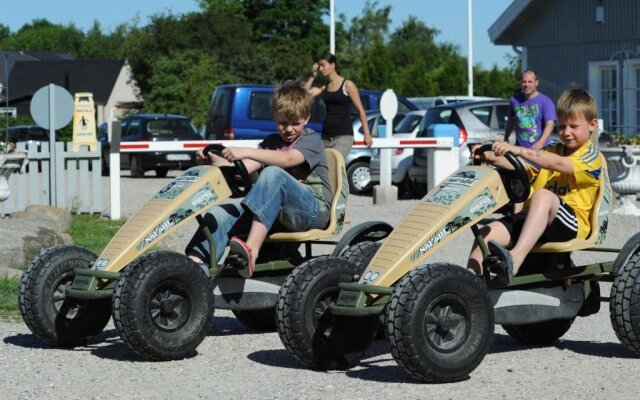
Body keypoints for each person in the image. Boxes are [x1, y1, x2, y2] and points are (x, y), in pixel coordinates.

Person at [185, 81, 332, 278]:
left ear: (306, 118)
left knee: (272, 173)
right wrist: (212, 159)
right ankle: (192, 270)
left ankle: (251, 252)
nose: (288, 129)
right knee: (220, 212)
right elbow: (242, 169)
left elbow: (287, 159)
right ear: (274, 117)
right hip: (278, 211)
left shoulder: (310, 140)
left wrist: (246, 151)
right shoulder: (272, 143)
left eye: (295, 123)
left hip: (314, 211)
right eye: (282, 123)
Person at [468, 88, 605, 283]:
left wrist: (520, 149)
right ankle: (470, 287)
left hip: (572, 224)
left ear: (592, 125)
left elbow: (558, 164)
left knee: (542, 195)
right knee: (486, 233)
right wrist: (489, 155)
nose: (566, 132)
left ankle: (515, 259)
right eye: (562, 126)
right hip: (537, 218)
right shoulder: (552, 150)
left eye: (573, 126)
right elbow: (522, 166)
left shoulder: (592, 156)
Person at [304, 52, 372, 160]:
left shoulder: (347, 85)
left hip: (343, 135)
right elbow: (305, 94)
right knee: (325, 169)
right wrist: (312, 77)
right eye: (319, 66)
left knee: (334, 164)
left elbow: (361, 110)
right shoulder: (325, 86)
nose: (321, 69)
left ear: (332, 65)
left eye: (323, 65)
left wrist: (367, 134)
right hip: (326, 135)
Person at [504, 69, 556, 151]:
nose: (526, 84)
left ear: (536, 82)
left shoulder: (546, 101)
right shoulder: (514, 100)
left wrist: (540, 144)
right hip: (520, 149)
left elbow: (549, 124)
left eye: (530, 82)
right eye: (524, 82)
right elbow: (511, 120)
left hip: (540, 149)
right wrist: (506, 138)